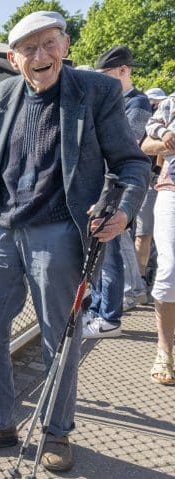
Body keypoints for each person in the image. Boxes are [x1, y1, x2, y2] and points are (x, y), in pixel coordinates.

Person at [0, 11, 149, 472]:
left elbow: (132, 165)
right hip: (0, 230)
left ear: (65, 45)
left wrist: (125, 211)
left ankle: (56, 432)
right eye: (28, 49)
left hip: (59, 229)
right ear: (13, 60)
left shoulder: (97, 91)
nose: (40, 55)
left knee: (60, 335)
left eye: (48, 43)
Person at [84, 45, 152, 337]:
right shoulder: (115, 101)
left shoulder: (137, 103)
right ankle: (98, 307)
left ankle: (109, 319)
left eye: (107, 76)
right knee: (97, 255)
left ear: (124, 71)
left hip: (117, 190)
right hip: (102, 186)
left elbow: (127, 144)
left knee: (109, 253)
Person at [142, 109, 175, 384]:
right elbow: (145, 144)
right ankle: (164, 351)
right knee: (170, 268)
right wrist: (168, 139)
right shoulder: (171, 102)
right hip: (171, 191)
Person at [136, 88, 168, 294]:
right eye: (153, 104)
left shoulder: (136, 104)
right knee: (144, 234)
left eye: (156, 104)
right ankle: (140, 282)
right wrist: (167, 140)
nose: (154, 107)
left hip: (154, 182)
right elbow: (144, 145)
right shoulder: (167, 109)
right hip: (155, 183)